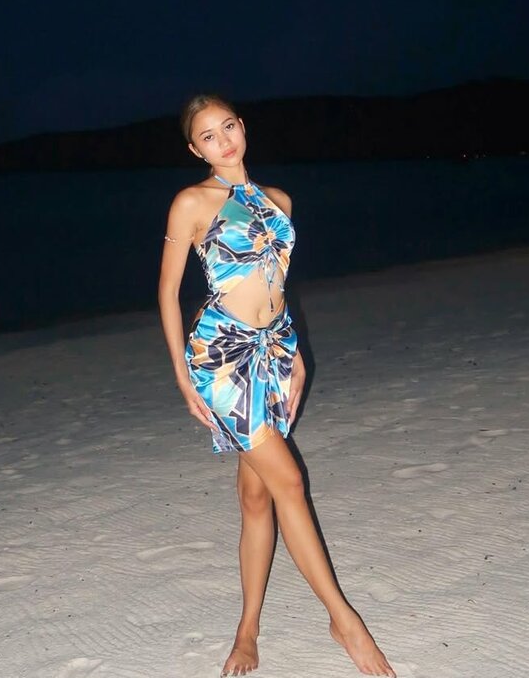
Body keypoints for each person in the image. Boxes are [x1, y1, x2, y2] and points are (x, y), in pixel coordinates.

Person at [158, 93, 396, 678]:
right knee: (288, 479)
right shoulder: (192, 202)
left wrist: (298, 356)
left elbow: (278, 283)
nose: (223, 141)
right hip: (221, 358)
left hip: (276, 350)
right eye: (209, 136)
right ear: (195, 149)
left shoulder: (279, 200)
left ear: (243, 127)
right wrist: (183, 379)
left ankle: (247, 632)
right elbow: (167, 293)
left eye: (228, 126)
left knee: (256, 496)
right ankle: (344, 621)